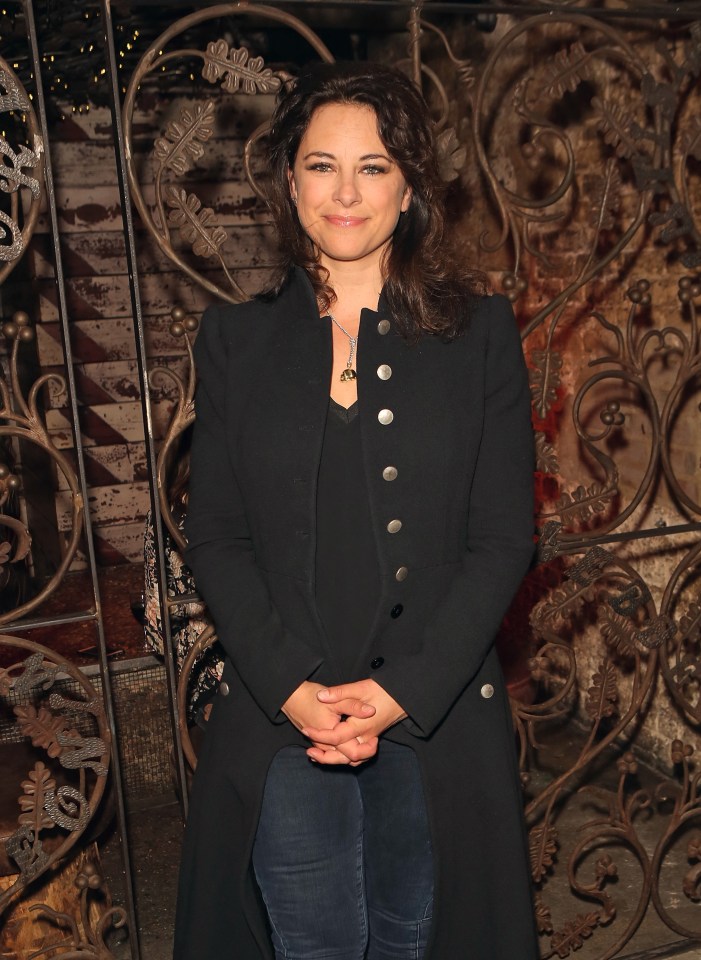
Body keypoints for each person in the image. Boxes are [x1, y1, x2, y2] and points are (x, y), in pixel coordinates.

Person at [174, 61, 537, 960]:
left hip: (432, 714)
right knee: (314, 940)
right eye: (321, 165)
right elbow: (214, 535)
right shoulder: (235, 342)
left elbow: (503, 540)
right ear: (289, 181)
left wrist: (396, 695)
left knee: (419, 938)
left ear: (408, 186)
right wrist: (294, 690)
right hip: (280, 715)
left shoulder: (479, 336)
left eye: (372, 167)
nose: (346, 192)